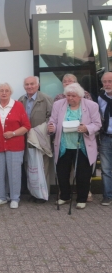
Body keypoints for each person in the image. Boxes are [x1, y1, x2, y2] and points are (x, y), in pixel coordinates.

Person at [48, 83, 101, 209]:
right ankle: (64, 196)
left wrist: (86, 128)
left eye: (73, 96)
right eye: (68, 95)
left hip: (82, 145)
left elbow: (97, 124)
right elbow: (53, 121)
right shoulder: (58, 104)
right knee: (62, 173)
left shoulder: (91, 106)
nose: (70, 98)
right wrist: (52, 127)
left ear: (80, 96)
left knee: (83, 174)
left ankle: (81, 198)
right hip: (63, 145)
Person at [0, 83, 31, 209]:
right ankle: (1, 197)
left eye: (7, 90)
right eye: (1, 90)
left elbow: (26, 126)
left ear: (10, 93)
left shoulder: (18, 106)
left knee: (14, 173)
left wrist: (13, 133)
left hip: (15, 145)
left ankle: (14, 198)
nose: (4, 93)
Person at [18, 76, 53, 203]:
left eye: (32, 84)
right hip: (25, 138)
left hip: (40, 138)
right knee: (29, 165)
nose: (29, 86)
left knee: (42, 166)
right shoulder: (21, 100)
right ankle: (33, 192)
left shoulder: (45, 99)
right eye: (27, 84)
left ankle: (43, 194)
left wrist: (42, 129)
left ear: (37, 85)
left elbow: (52, 118)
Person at [98, 72, 112, 206]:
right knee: (106, 169)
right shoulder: (100, 98)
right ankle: (108, 196)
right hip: (106, 137)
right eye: (105, 82)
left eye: (110, 81)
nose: (107, 84)